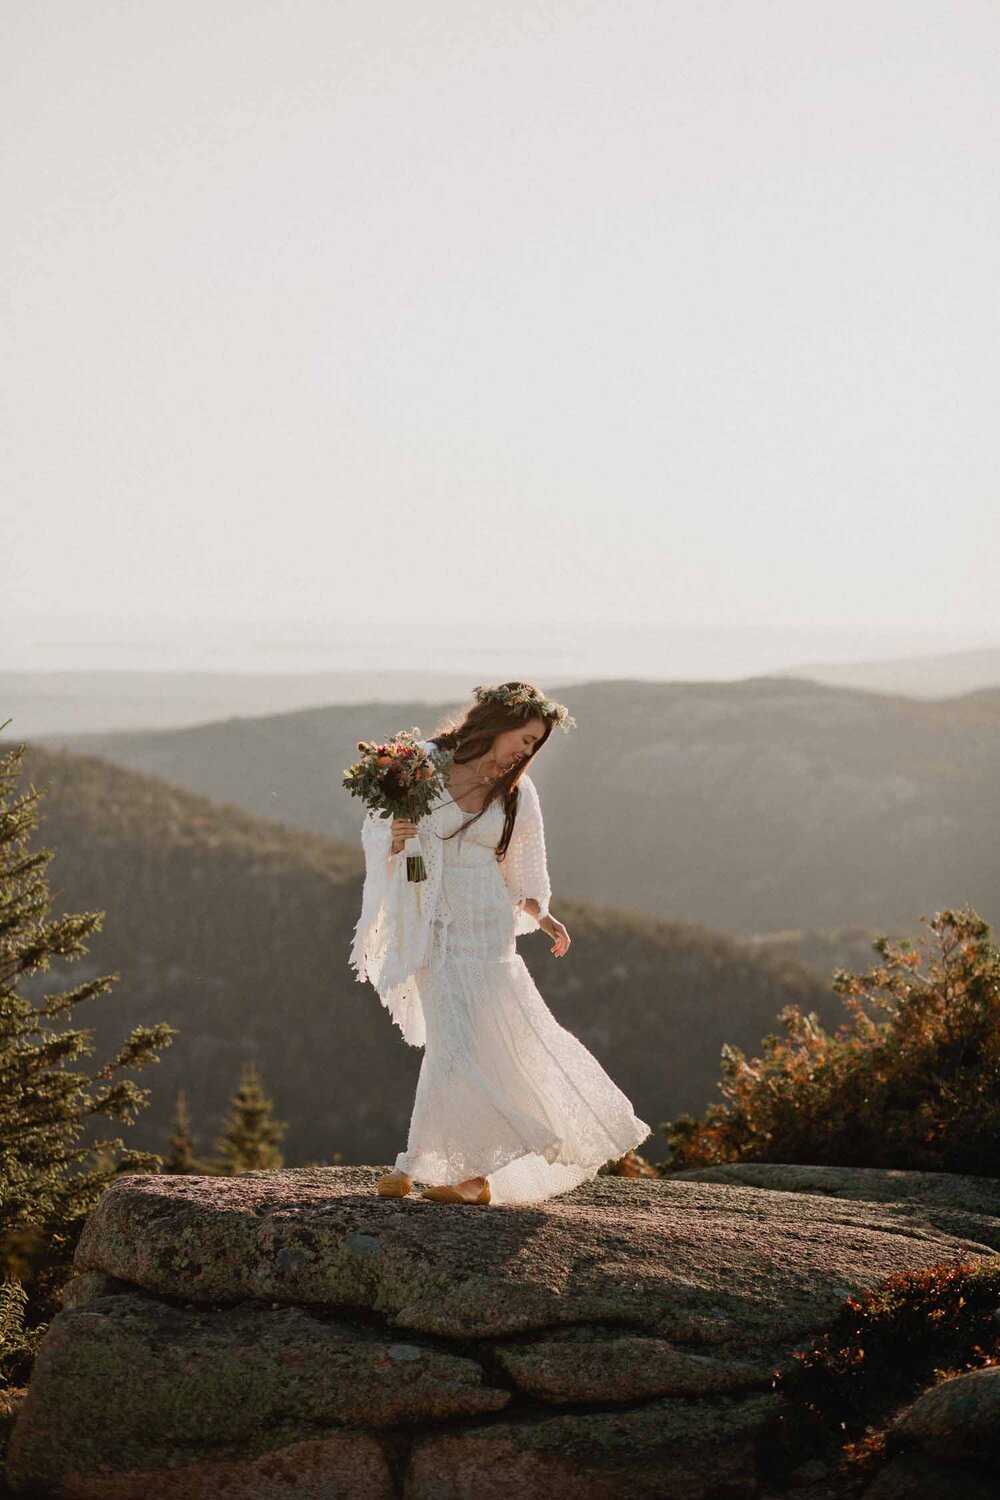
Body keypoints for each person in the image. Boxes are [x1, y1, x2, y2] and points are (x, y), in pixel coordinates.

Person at [348, 682, 651, 1206]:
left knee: (478, 1043)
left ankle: (448, 1173)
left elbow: (521, 869)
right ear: (495, 721)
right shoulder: (420, 765)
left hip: (487, 928)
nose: (525, 751)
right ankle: (446, 1165)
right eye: (524, 737)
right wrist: (394, 837)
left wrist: (546, 916)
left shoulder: (516, 791)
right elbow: (380, 832)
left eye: (534, 745)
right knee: (453, 1039)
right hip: (432, 920)